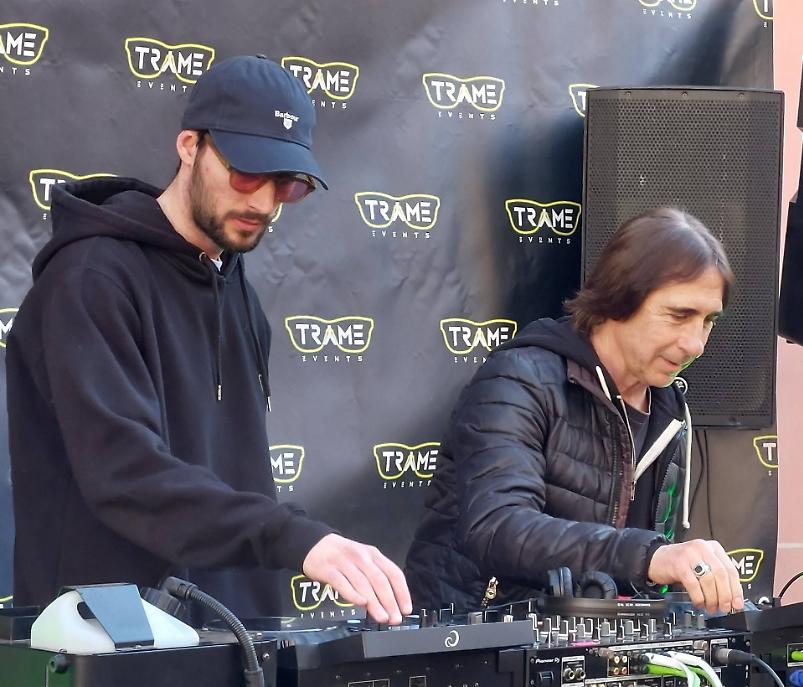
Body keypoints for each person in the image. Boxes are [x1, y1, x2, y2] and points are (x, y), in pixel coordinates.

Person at [7, 55, 411, 624]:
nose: (263, 202)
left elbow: (238, 477)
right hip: (106, 637)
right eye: (246, 172)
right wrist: (293, 538)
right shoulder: (91, 279)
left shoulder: (237, 292)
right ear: (189, 146)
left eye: (286, 184)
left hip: (232, 639)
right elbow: (124, 473)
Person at [405, 207, 744, 616]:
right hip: (473, 633)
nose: (696, 344)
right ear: (620, 298)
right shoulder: (519, 378)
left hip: (584, 636)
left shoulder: (669, 406)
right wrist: (649, 556)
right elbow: (498, 526)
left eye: (707, 321)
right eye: (679, 316)